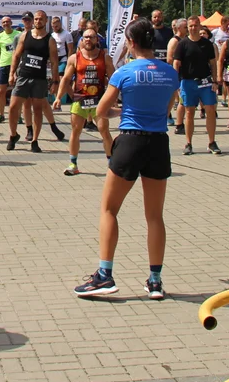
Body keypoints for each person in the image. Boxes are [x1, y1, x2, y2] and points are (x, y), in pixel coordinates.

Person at [73, 18, 179, 301]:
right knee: (155, 215)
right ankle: (155, 280)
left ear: (131, 43)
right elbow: (168, 107)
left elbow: (101, 111)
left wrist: (118, 112)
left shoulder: (124, 72)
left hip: (130, 140)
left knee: (109, 209)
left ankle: (104, 275)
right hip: (158, 141)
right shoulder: (170, 73)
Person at [54, 29, 114, 175]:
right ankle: (73, 164)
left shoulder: (105, 57)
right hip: (80, 100)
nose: (88, 39)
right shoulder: (74, 58)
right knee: (75, 132)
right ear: (81, 40)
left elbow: (113, 79)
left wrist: (114, 99)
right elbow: (66, 79)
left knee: (104, 131)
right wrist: (58, 98)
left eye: (91, 37)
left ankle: (112, 164)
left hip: (99, 101)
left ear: (96, 40)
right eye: (85, 37)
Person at [7, 10, 59, 153]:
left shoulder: (50, 40)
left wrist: (55, 81)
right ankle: (13, 135)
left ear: (46, 21)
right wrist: (12, 73)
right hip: (23, 76)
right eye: (36, 19)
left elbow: (54, 62)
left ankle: (35, 140)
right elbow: (16, 56)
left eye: (40, 19)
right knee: (13, 107)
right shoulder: (25, 35)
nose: (37, 21)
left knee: (37, 110)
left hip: (39, 79)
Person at [171, 16, 221, 155]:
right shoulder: (182, 44)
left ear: (200, 27)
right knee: (189, 112)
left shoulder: (207, 44)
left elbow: (213, 63)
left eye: (195, 25)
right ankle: (188, 143)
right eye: (190, 26)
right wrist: (177, 81)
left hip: (206, 82)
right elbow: (176, 63)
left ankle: (212, 142)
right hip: (188, 82)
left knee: (210, 109)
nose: (193, 28)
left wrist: (215, 80)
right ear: (187, 28)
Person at [0, 16, 20, 124]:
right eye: (4, 22)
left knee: (17, 91)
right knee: (1, 91)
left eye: (7, 22)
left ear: (11, 23)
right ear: (1, 24)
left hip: (16, 65)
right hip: (3, 65)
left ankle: (18, 115)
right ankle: (1, 115)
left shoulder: (18, 35)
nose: (6, 24)